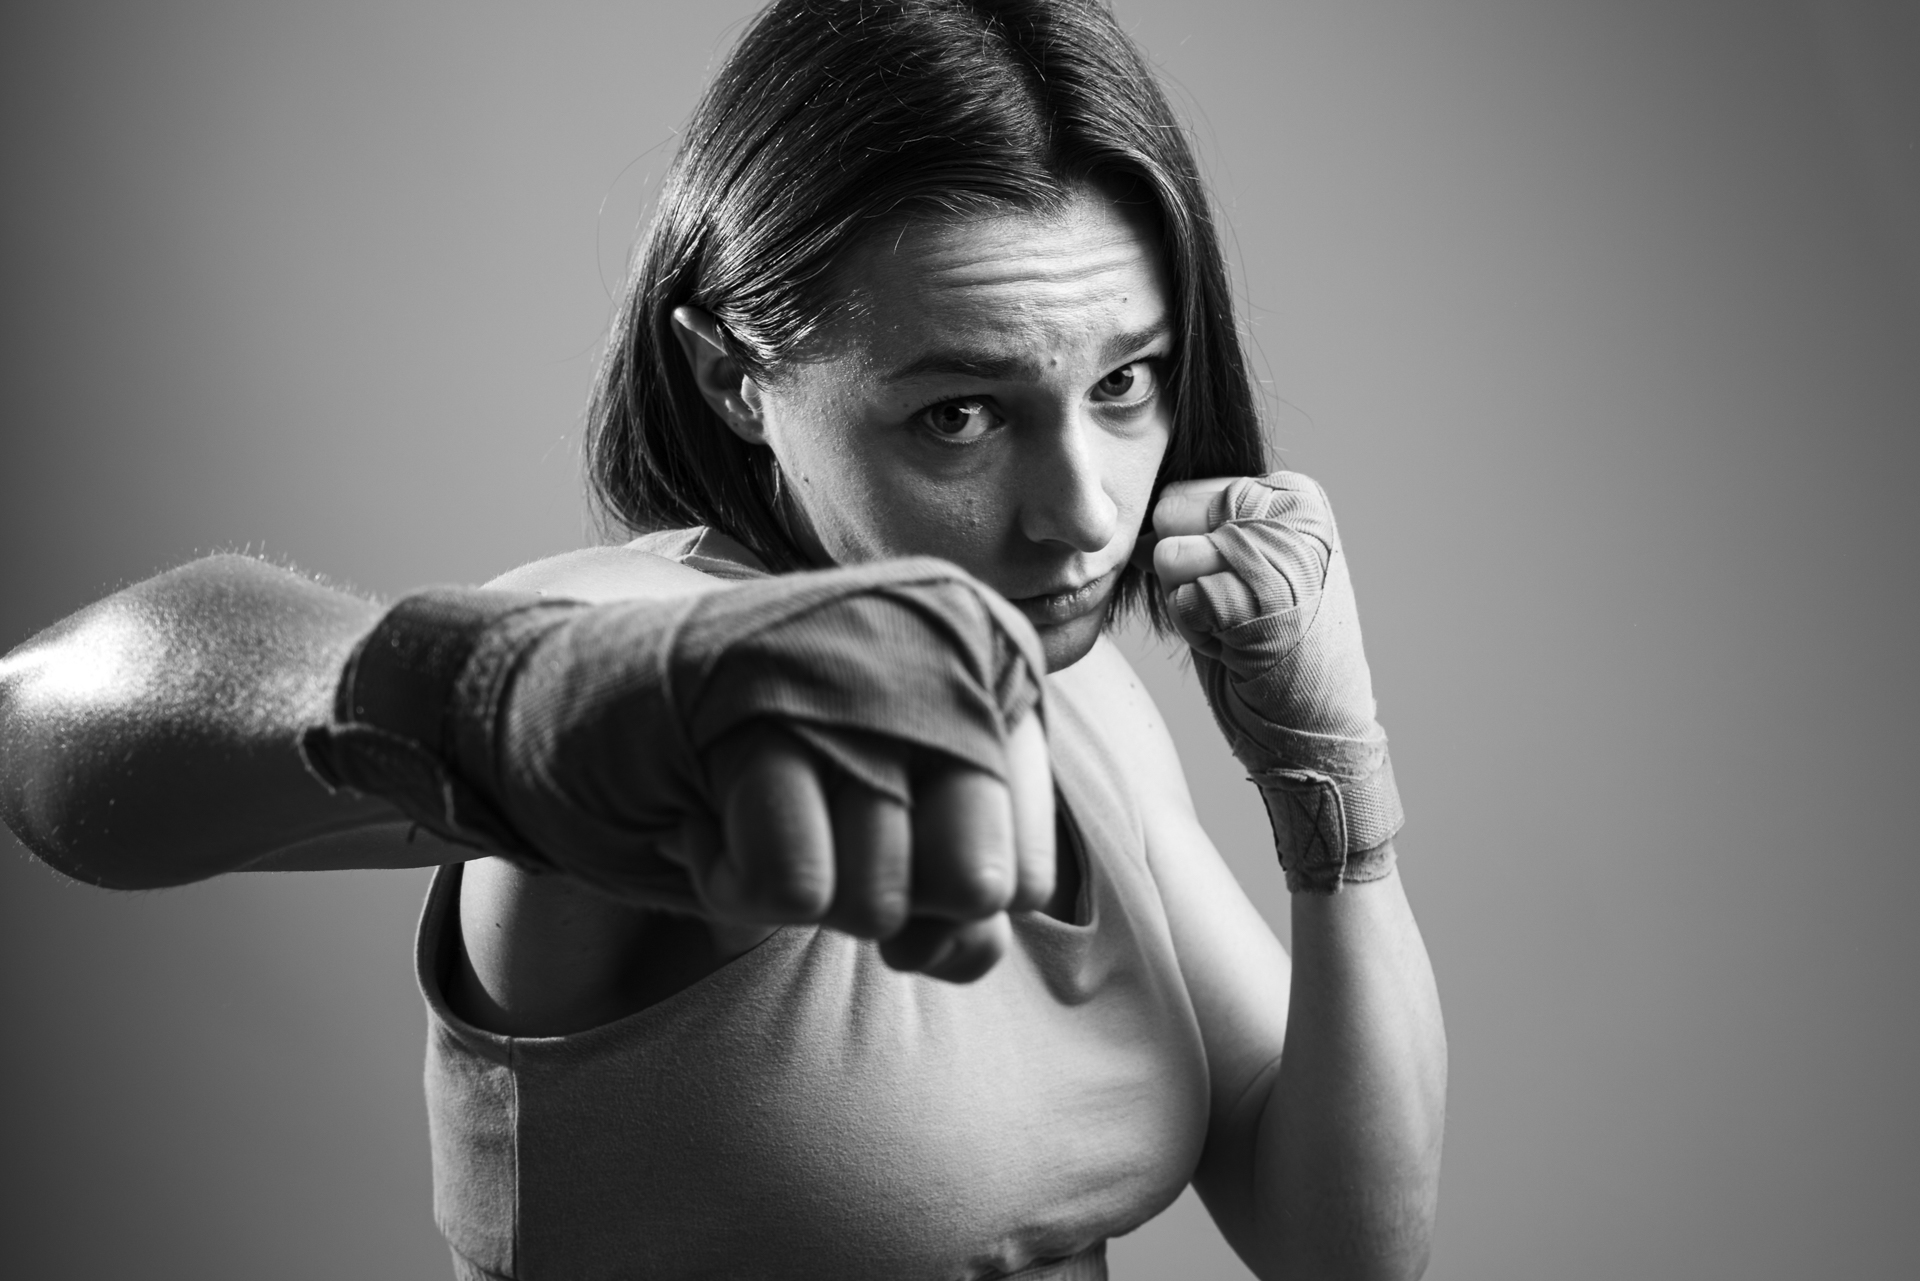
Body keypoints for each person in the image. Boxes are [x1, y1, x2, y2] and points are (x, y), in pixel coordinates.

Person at [0, 1, 1445, 1278]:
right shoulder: (665, 648)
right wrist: (543, 696)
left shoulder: (1089, 710)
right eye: (961, 411)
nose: (1085, 512)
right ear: (735, 377)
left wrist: (1335, 796)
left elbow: (1346, 1248)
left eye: (1125, 380)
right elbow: (55, 730)